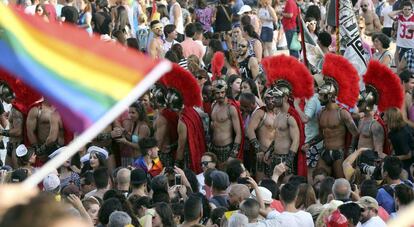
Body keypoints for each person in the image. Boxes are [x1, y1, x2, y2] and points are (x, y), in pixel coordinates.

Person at [305, 54, 360, 178]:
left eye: (322, 95)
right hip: (325, 152)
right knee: (318, 179)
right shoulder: (321, 113)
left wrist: (350, 150)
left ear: (330, 96)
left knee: (341, 182)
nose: (319, 98)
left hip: (339, 154)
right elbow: (321, 134)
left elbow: (355, 133)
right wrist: (310, 143)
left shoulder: (343, 113)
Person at [262, 55, 313, 178]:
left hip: (285, 160)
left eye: (276, 97)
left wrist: (288, 163)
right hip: (275, 158)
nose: (273, 99)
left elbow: (296, 141)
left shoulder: (290, 117)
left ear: (284, 98)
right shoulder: (279, 114)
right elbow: (277, 136)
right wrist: (269, 151)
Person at [357, 60, 404, 158]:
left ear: (368, 104)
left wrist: (392, 161)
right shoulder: (361, 120)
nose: (357, 104)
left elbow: (378, 153)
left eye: (360, 102)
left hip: (368, 164)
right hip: (357, 161)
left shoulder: (375, 125)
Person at [164, 65, 207, 173]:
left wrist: (176, 166)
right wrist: (172, 146)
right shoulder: (191, 110)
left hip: (190, 158)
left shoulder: (182, 122)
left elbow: (181, 147)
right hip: (201, 151)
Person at [210, 78, 243, 168]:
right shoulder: (213, 105)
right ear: (213, 93)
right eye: (217, 93)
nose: (220, 95)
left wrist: (232, 155)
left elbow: (239, 133)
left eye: (222, 92)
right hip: (214, 149)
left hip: (227, 149)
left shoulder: (231, 108)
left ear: (225, 91)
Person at [247, 89, 277, 181]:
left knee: (276, 182)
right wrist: (258, 149)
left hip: (276, 155)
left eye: (273, 98)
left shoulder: (280, 113)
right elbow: (250, 131)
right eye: (268, 98)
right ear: (264, 99)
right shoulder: (260, 112)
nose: (270, 101)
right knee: (261, 183)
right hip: (262, 153)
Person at [26, 99, 65, 166]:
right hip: (44, 149)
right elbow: (30, 131)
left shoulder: (62, 107)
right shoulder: (36, 109)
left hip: (61, 148)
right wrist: (38, 150)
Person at [152, 84, 179, 168]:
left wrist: (152, 160)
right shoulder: (163, 114)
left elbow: (158, 143)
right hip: (165, 153)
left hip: (163, 156)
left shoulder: (162, 118)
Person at [389, 1, 414, 66]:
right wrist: (400, 11)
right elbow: (390, 14)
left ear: (412, 10)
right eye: (405, 9)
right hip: (401, 41)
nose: (407, 11)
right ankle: (398, 69)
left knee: (410, 61)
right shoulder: (400, 16)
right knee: (398, 56)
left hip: (411, 43)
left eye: (409, 9)